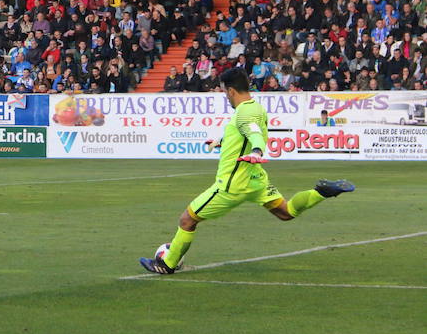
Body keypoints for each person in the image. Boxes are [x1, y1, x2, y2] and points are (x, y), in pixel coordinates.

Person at [139, 68, 355, 274]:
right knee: (286, 212)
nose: (225, 96)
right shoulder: (256, 107)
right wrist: (220, 142)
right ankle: (322, 192)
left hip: (233, 184)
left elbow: (253, 134)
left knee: (187, 220)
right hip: (256, 179)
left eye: (224, 92)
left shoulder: (243, 113)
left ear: (231, 91)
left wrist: (258, 150)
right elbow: (245, 133)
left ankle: (167, 264)